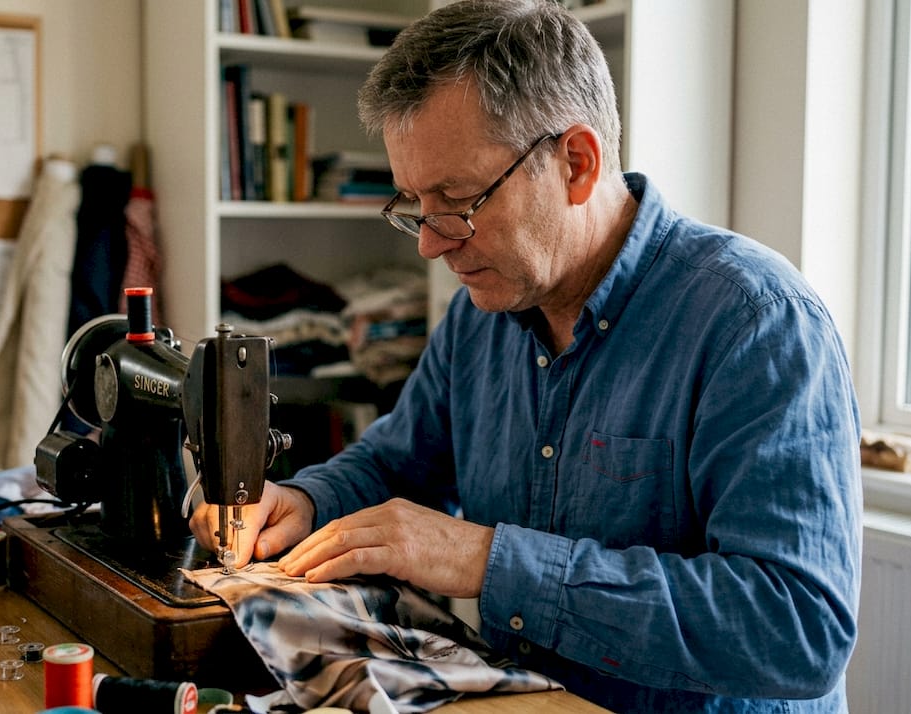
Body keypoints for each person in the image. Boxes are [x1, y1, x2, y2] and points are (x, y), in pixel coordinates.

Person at [190, 1, 862, 711]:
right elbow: (396, 464)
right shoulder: (479, 317)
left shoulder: (756, 322)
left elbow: (798, 630)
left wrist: (486, 560)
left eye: (456, 198)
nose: (429, 243)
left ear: (576, 162)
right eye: (415, 204)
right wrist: (303, 499)